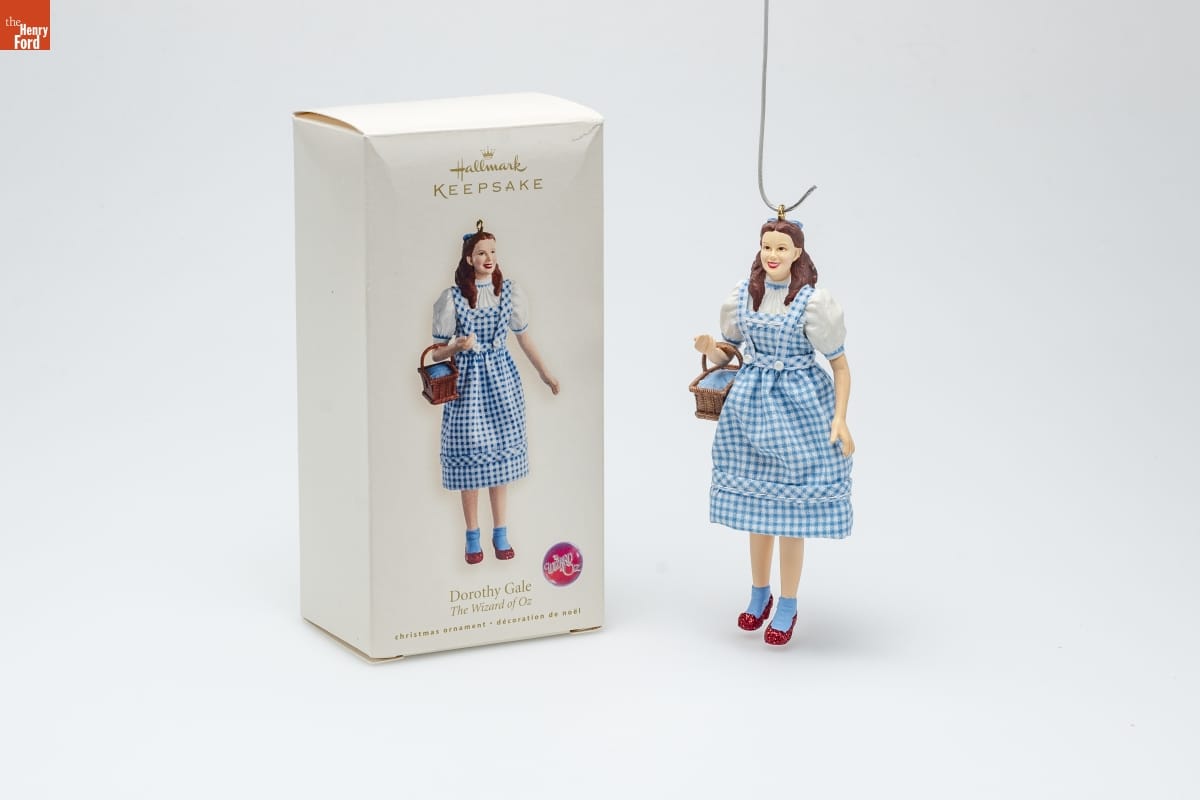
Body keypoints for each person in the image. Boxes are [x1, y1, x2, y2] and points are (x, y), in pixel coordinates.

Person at [693, 219, 854, 645]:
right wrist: (711, 349)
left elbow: (839, 365)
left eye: (782, 247)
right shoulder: (746, 295)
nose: (773, 254)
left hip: (799, 411)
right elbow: (730, 351)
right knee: (758, 516)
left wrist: (840, 418)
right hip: (750, 410)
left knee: (790, 519)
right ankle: (759, 592)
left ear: (797, 252)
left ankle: (788, 601)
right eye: (767, 246)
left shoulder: (812, 302)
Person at [430, 225, 559, 564]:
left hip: (502, 384)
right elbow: (436, 353)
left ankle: (500, 531)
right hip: (467, 388)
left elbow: (524, 339)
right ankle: (472, 535)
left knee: (499, 465)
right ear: (469, 259)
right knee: (471, 462)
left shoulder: (509, 293)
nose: (489, 258)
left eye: (492, 251)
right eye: (481, 252)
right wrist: (456, 346)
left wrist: (544, 373)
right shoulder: (453, 298)